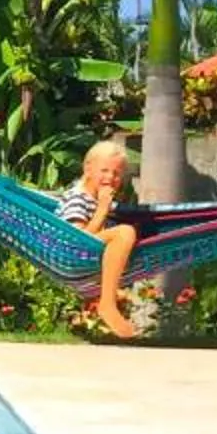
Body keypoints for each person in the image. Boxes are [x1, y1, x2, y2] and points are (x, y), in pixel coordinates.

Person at [59, 138, 161, 341]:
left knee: (131, 231)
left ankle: (107, 295)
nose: (111, 177)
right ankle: (107, 302)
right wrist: (102, 210)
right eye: (104, 171)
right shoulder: (77, 198)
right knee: (124, 233)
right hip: (72, 254)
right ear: (88, 169)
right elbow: (77, 240)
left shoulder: (95, 200)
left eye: (116, 173)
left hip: (89, 258)